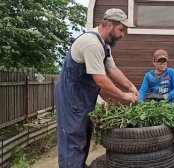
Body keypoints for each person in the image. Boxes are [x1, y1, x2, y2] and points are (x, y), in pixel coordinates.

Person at [54, 8, 139, 168]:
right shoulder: (92, 44)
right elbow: (100, 80)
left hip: (84, 98)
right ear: (109, 25)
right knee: (73, 139)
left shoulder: (104, 45)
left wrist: (130, 86)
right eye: (121, 29)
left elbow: (112, 70)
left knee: (84, 133)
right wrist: (124, 96)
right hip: (71, 97)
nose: (123, 35)